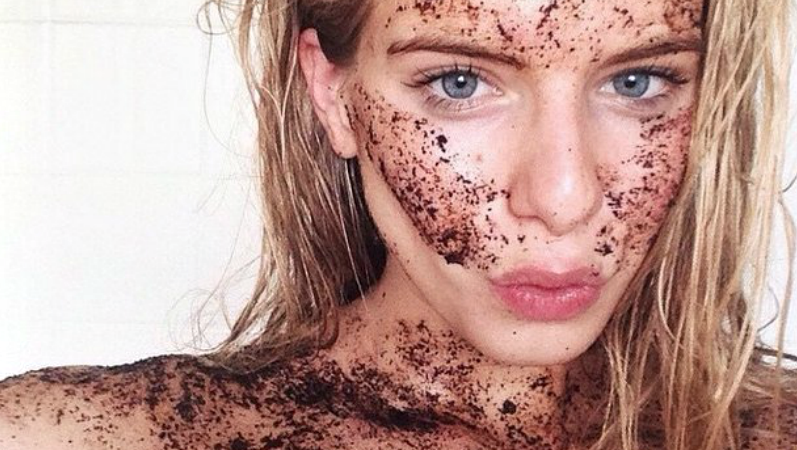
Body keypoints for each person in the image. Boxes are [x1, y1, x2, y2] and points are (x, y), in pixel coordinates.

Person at [1, 0, 795, 448]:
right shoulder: (87, 436)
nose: (562, 198)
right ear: (332, 95)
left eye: (637, 81)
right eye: (458, 83)